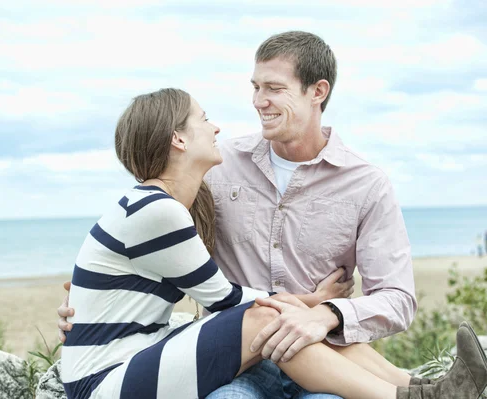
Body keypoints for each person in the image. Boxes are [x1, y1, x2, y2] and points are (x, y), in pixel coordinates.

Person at [60, 88, 487, 399]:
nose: (217, 126)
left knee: (294, 316)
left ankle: (420, 387)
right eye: (204, 118)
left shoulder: (159, 205)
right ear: (179, 139)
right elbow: (228, 301)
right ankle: (407, 398)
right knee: (271, 317)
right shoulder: (157, 210)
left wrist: (317, 310)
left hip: (134, 357)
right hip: (105, 382)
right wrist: (314, 300)